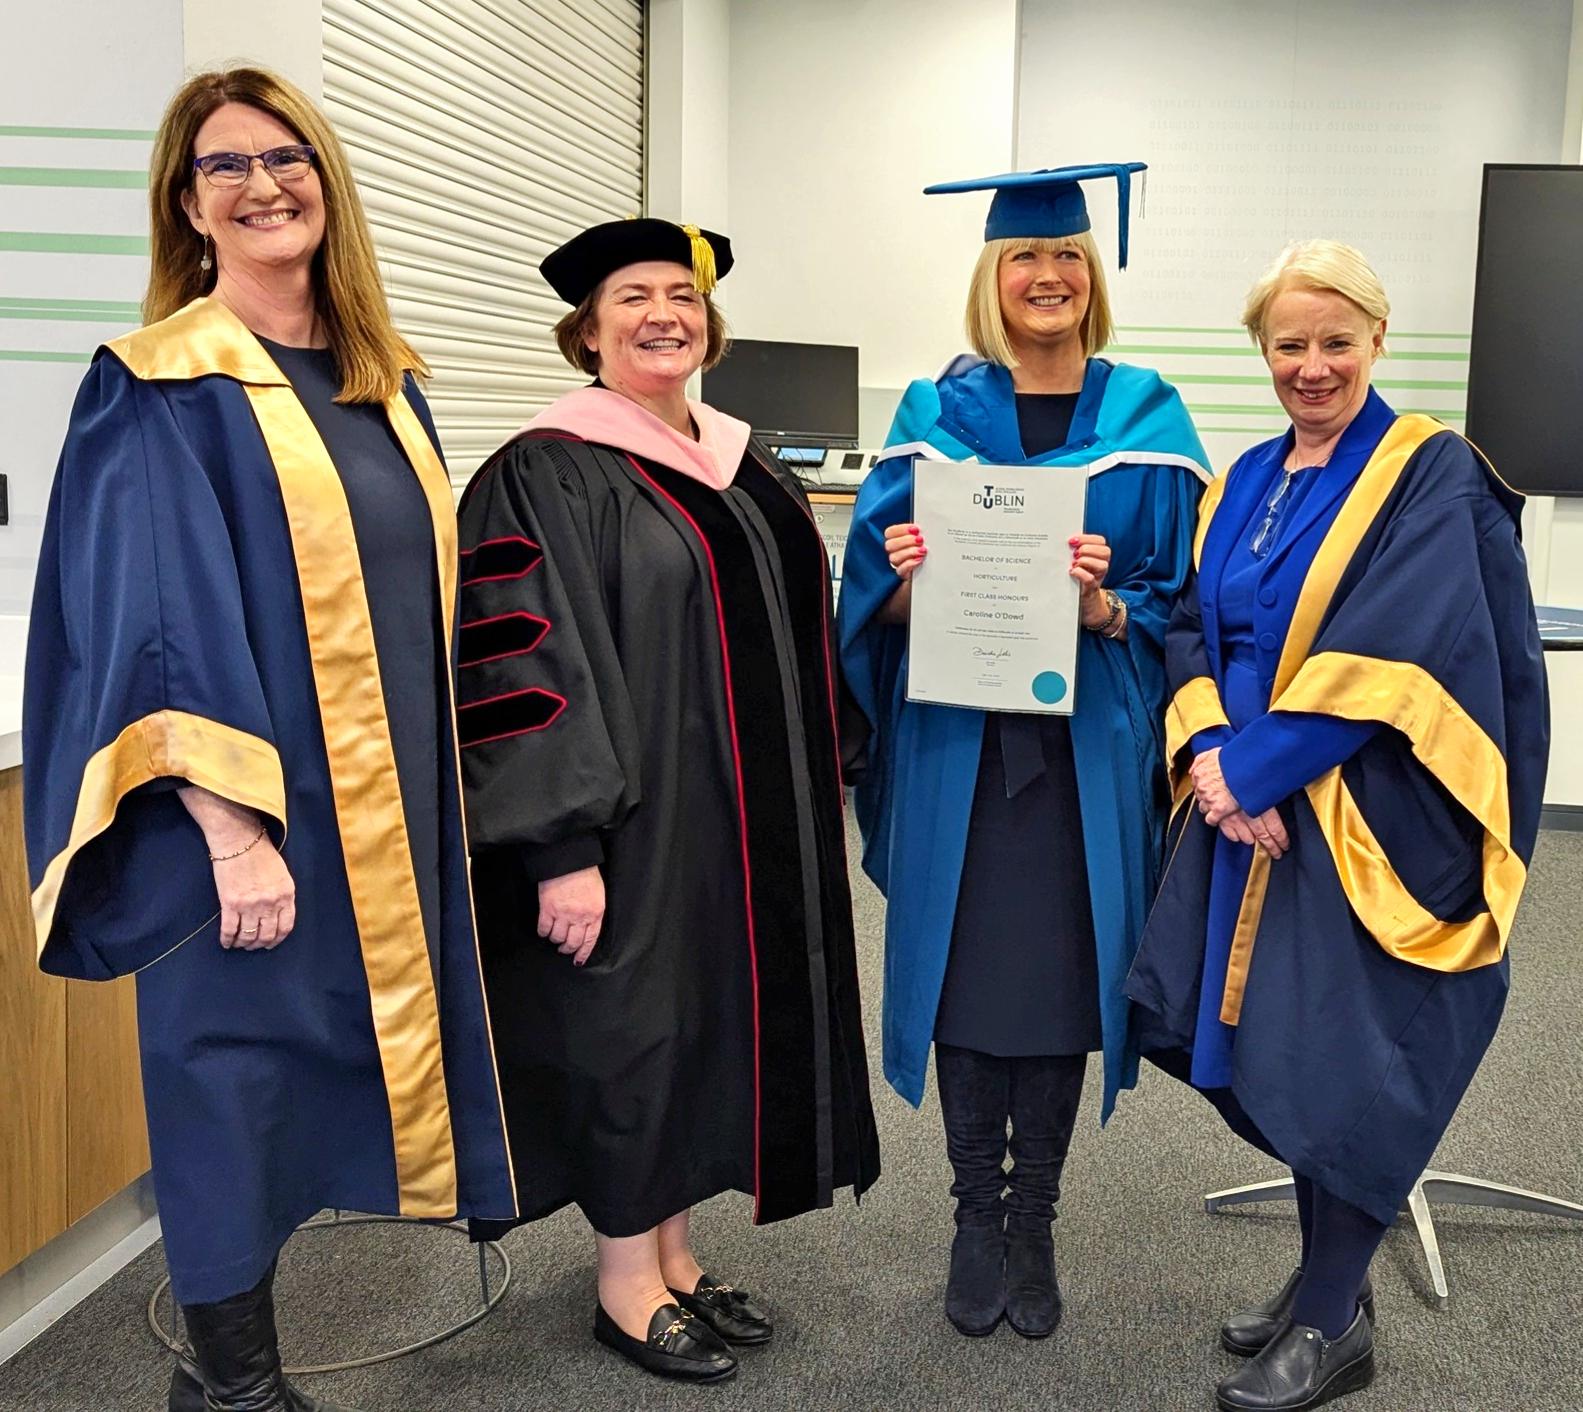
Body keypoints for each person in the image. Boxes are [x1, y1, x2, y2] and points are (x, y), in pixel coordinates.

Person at [22, 67, 518, 1412]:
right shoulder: (161, 383)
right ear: (186, 208)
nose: (261, 185)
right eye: (224, 166)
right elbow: (154, 624)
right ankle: (232, 1391)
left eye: (287, 157)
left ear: (328, 183)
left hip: (382, 815)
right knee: (229, 1086)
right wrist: (233, 836)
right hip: (254, 820)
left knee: (326, 1074)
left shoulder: (382, 382)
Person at [455, 216, 881, 1385]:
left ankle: (678, 1255)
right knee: (631, 1029)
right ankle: (622, 1282)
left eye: (681, 297)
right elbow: (517, 665)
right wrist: (559, 845)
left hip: (742, 824)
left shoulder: (743, 459)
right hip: (631, 823)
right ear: (586, 329)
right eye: (633, 296)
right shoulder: (545, 467)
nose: (662, 314)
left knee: (707, 1024)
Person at [1125, 239, 1548, 1412]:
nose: (1311, 365)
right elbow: (1186, 626)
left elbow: (1404, 642)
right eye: (1287, 344)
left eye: (1333, 341)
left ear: (1374, 338)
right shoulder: (1243, 476)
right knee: (1275, 1046)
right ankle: (1331, 1279)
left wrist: (1256, 769)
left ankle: (1328, 1322)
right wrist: (1210, 754)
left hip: (1364, 810)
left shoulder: (1430, 471)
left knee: (1349, 1057)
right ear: (1260, 351)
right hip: (1244, 805)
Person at [838, 163, 1210, 1339]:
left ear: (1089, 276)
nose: (1044, 277)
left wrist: (1107, 613)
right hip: (958, 752)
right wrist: (897, 587)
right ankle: (968, 1214)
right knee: (962, 972)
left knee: (1056, 987)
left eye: (1064, 258)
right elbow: (864, 597)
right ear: (990, 277)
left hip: (1082, 752)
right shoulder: (930, 417)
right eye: (1021, 258)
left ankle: (1033, 1216)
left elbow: (1180, 602)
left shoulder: (1149, 418)